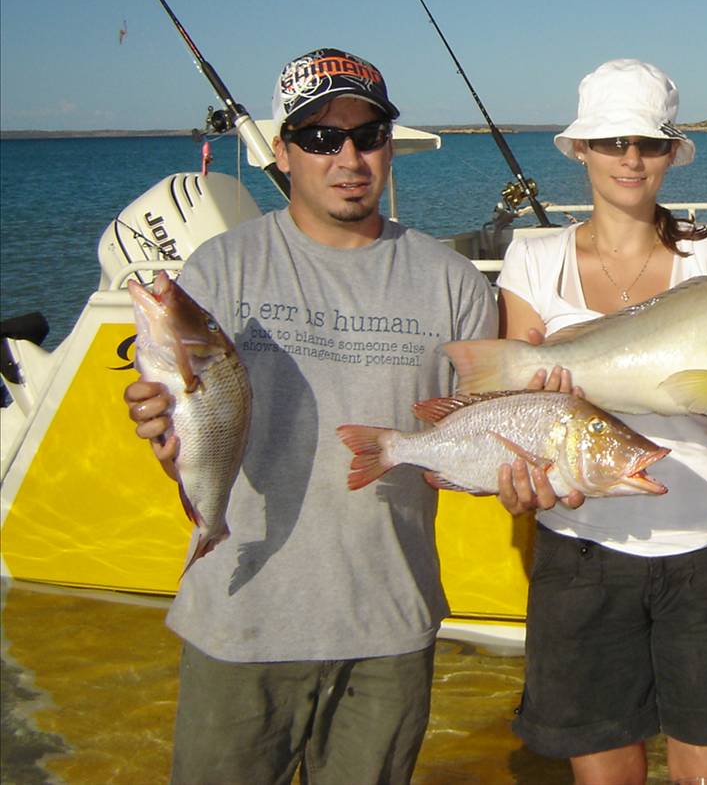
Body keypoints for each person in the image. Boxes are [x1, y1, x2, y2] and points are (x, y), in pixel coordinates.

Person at [124, 48, 496, 784]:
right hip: (241, 622)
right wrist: (165, 437)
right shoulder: (222, 269)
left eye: (368, 135)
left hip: (389, 629)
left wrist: (525, 470)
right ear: (283, 151)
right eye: (322, 138)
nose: (348, 158)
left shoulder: (455, 283)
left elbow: (478, 441)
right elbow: (192, 439)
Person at [495, 59, 707, 785]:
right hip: (581, 553)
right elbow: (519, 408)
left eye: (649, 143)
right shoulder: (532, 260)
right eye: (612, 141)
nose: (630, 158)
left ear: (670, 154)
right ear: (581, 150)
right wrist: (518, 471)